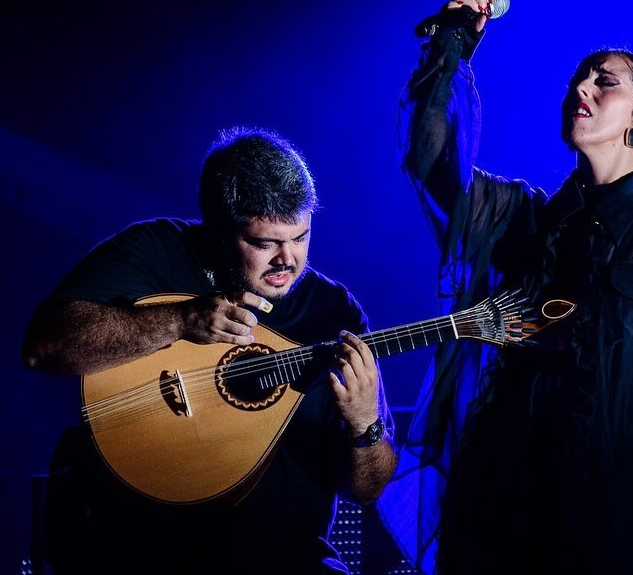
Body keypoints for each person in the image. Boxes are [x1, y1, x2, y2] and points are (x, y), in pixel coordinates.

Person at [377, 0, 633, 574]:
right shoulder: (525, 220)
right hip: (512, 490)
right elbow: (431, 159)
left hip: (628, 496)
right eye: (578, 80)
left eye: (603, 82)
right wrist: (454, 40)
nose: (581, 89)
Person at [22, 126, 397, 574]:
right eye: (264, 243)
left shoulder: (332, 311)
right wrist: (180, 320)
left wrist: (364, 423)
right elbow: (44, 347)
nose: (287, 260)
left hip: (284, 554)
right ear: (219, 230)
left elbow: (366, 489)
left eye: (300, 238)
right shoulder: (157, 251)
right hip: (143, 541)